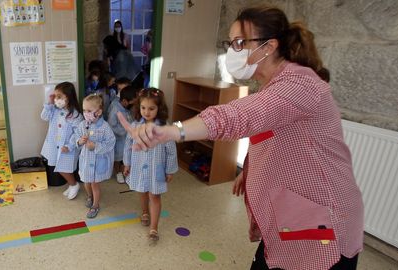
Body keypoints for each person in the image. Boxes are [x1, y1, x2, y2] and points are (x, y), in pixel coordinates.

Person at [117, 6, 364, 270]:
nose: (232, 51)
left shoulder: (300, 84)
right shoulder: (275, 85)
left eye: (238, 43)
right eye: (230, 43)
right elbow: (269, 135)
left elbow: (237, 116)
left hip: (322, 225)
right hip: (292, 218)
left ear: (268, 47)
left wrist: (172, 130)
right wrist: (249, 171)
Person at [122, 88, 178, 243]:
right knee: (141, 190)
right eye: (143, 108)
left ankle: (154, 228)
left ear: (159, 109)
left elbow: (171, 151)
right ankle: (144, 212)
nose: (146, 112)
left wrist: (170, 170)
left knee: (154, 195)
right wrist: (127, 163)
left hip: (156, 168)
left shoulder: (165, 128)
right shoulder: (134, 125)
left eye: (151, 108)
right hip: (138, 165)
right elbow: (128, 145)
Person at [73, 94, 115, 218]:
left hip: (98, 161)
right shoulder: (82, 125)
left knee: (95, 184)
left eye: (89, 111)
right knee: (86, 180)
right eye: (84, 110)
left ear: (99, 111)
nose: (86, 113)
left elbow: (110, 142)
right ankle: (89, 196)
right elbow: (76, 137)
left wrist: (96, 146)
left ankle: (95, 205)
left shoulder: (105, 127)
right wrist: (80, 141)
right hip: (86, 160)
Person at [41, 82, 83, 200]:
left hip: (66, 148)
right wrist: (49, 103)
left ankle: (74, 184)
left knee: (64, 168)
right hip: (54, 145)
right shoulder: (54, 109)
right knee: (57, 166)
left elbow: (77, 133)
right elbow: (44, 116)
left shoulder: (75, 115)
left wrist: (69, 146)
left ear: (68, 97)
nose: (56, 99)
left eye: (59, 97)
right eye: (55, 96)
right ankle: (72, 184)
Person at [108, 85, 138, 184]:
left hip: (127, 137)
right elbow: (112, 125)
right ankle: (118, 173)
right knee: (118, 157)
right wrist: (125, 131)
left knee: (126, 155)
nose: (133, 105)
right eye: (132, 103)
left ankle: (125, 169)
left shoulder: (125, 107)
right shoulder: (116, 108)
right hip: (118, 138)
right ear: (125, 101)